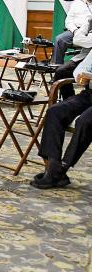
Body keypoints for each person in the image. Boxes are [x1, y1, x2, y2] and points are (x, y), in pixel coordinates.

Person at [31, 50, 92, 189]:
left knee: (84, 121)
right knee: (55, 111)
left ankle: (62, 168)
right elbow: (81, 68)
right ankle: (53, 165)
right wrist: (80, 76)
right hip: (89, 93)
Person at [52, 0, 92, 64]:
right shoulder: (77, 3)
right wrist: (75, 30)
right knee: (59, 39)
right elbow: (68, 21)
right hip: (75, 31)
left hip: (90, 33)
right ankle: (57, 68)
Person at [53, 18, 92, 100]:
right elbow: (77, 40)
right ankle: (69, 100)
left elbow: (81, 40)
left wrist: (85, 38)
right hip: (84, 56)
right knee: (61, 71)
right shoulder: (89, 21)